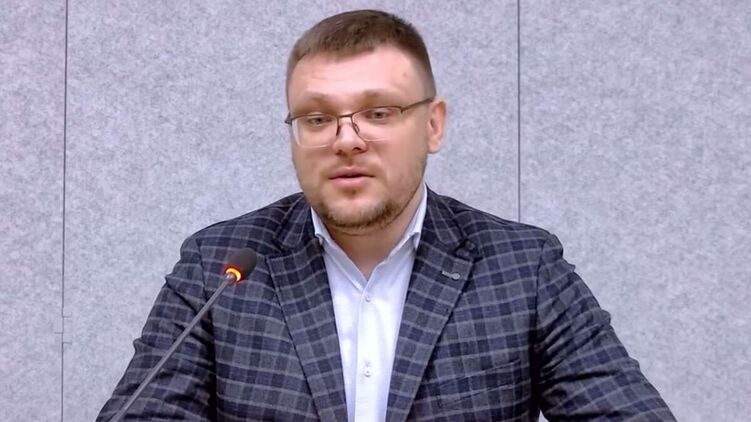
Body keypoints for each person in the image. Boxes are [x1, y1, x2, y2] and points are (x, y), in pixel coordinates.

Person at [98, 9, 675, 421]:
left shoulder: (523, 268)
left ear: (433, 125)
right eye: (317, 119)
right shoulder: (219, 266)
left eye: (377, 112)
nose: (347, 140)